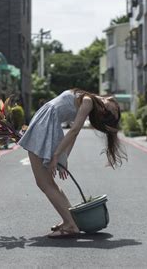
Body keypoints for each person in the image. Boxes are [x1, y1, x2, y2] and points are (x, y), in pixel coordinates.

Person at [18, 88, 126, 238]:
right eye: (113, 106)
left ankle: (70, 224)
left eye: (111, 111)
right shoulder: (87, 100)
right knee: (48, 183)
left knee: (44, 183)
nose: (110, 104)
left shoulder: (87, 101)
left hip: (45, 124)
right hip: (45, 122)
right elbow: (74, 132)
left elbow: (74, 132)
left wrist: (59, 156)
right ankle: (70, 220)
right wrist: (62, 158)